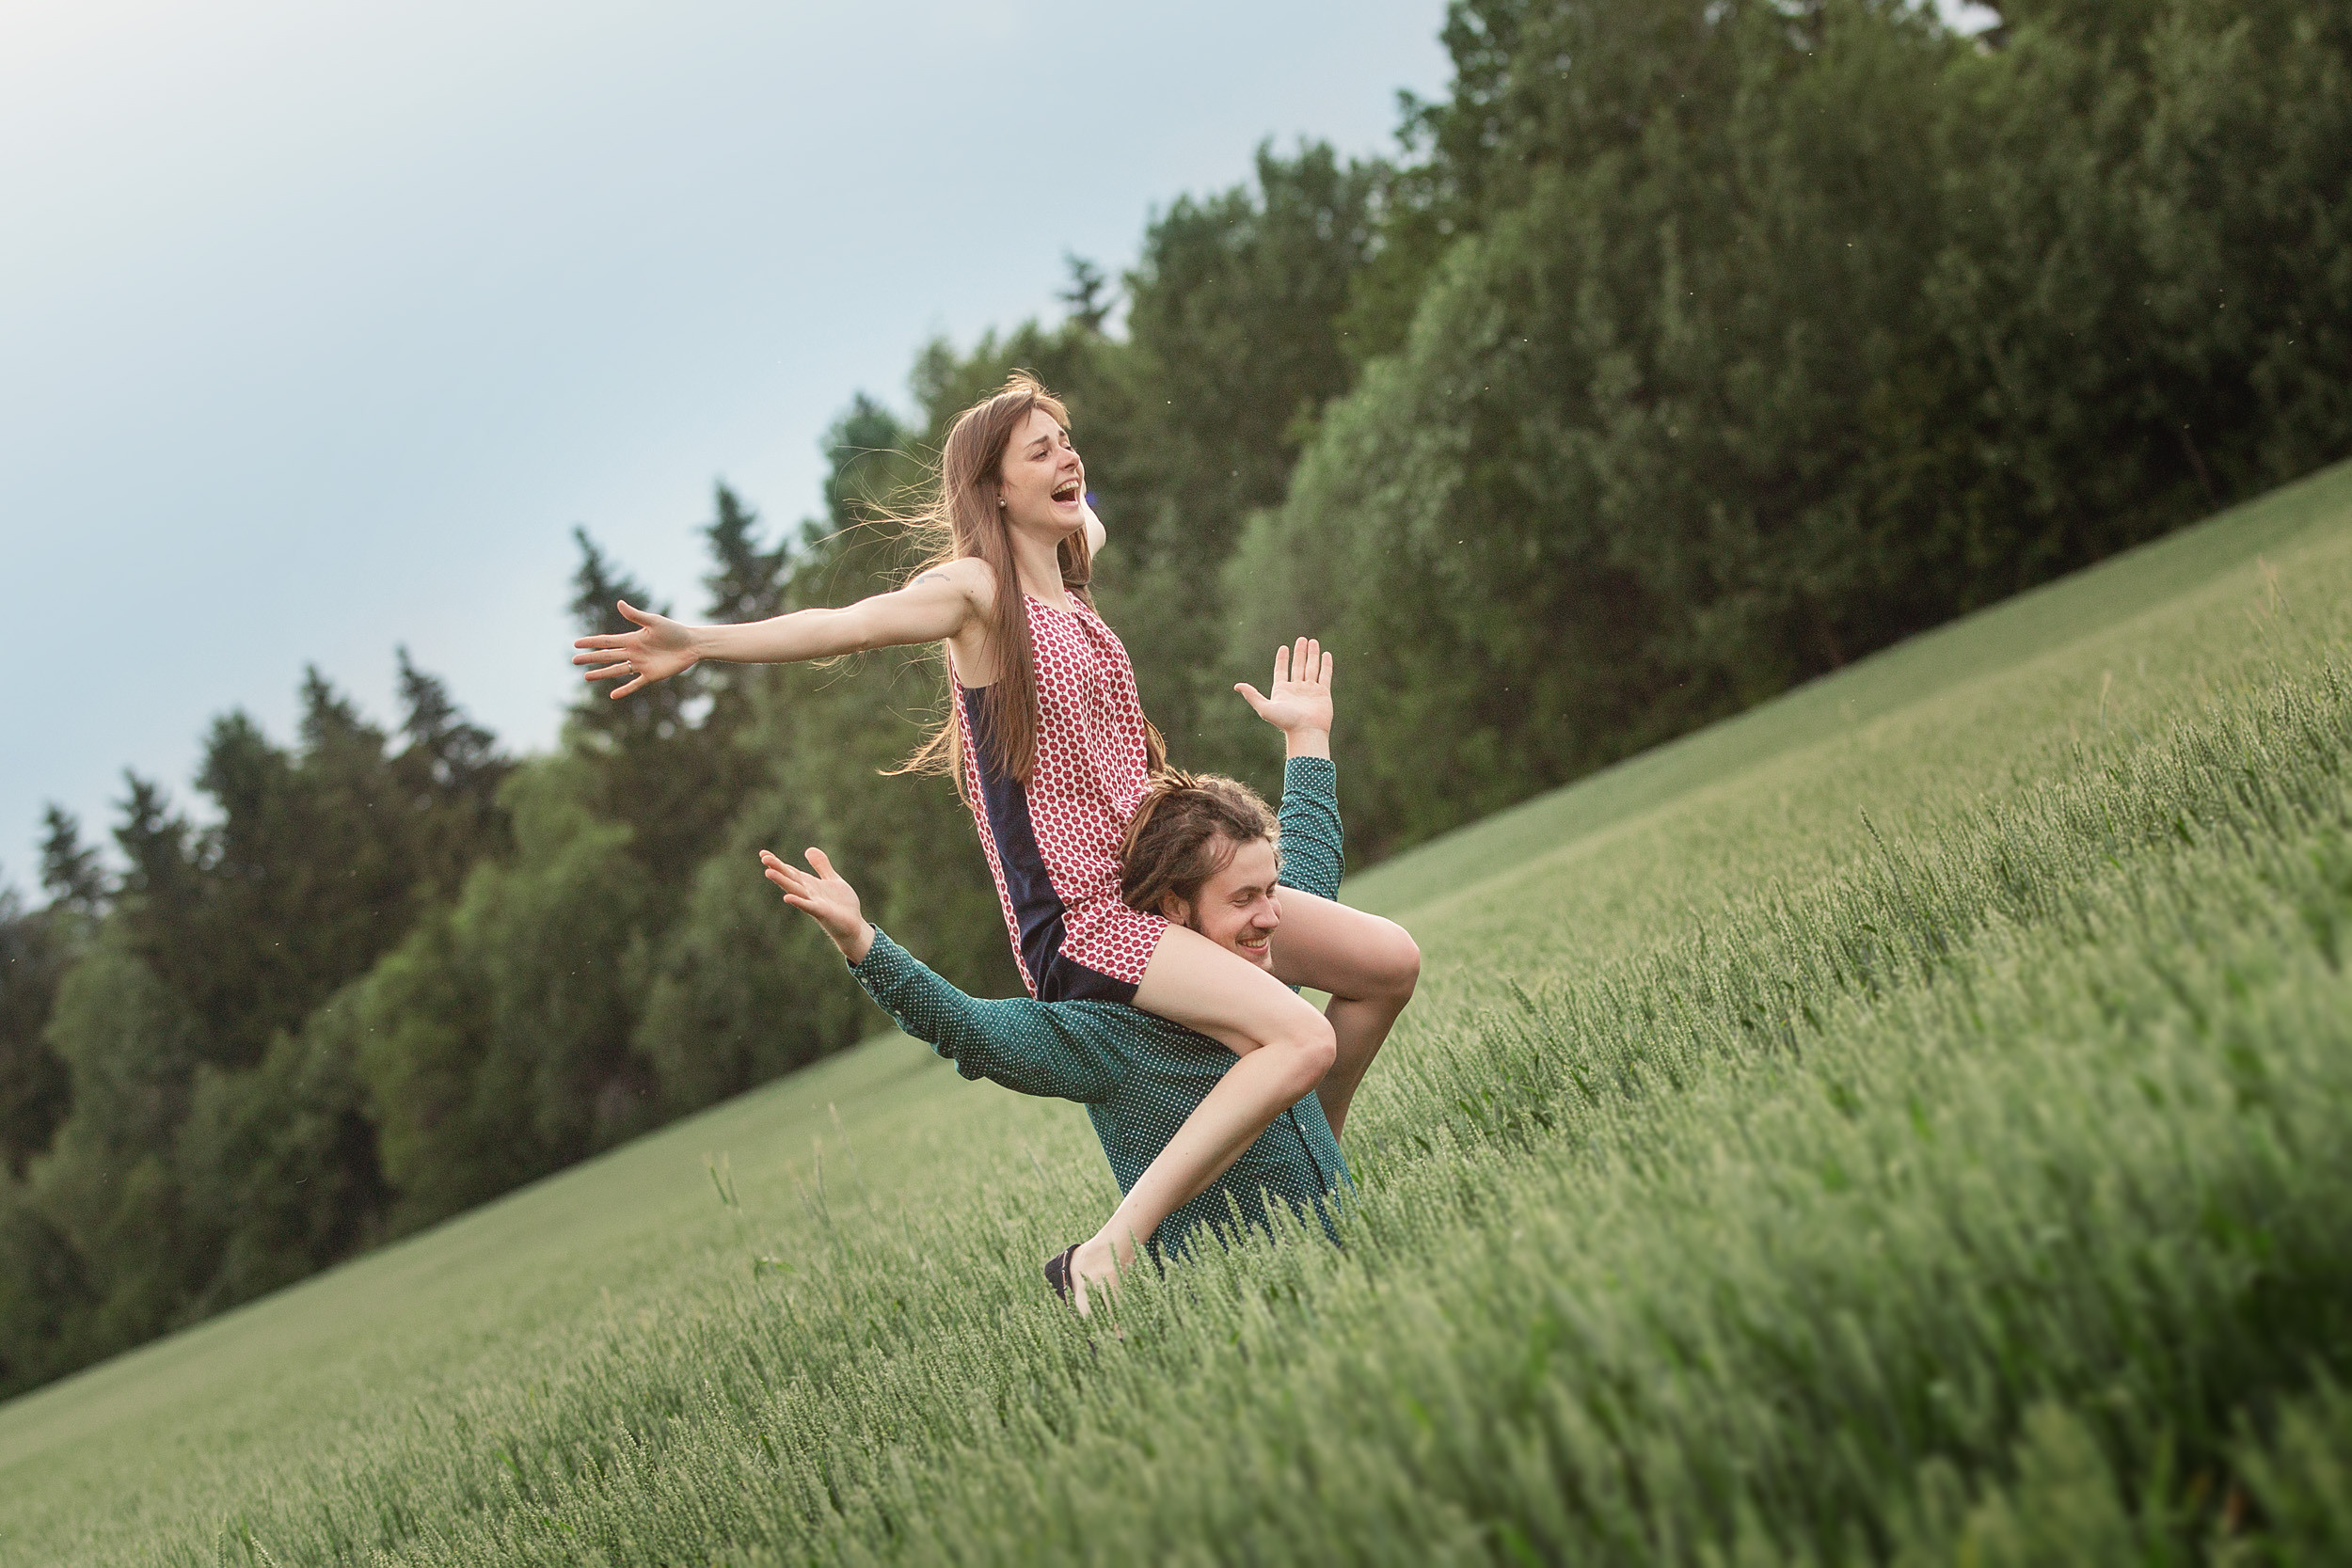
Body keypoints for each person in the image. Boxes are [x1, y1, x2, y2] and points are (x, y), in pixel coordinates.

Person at [572, 374, 1418, 1301]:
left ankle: (1310, 1164)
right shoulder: (976, 593)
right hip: (1087, 920)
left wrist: (1066, 492)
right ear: (993, 490)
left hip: (1155, 884)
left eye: (1067, 439)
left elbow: (1089, 517)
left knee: (1385, 963)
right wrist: (701, 640)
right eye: (1039, 449)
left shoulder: (1072, 565)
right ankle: (1109, 1251)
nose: (1067, 458)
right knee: (1298, 1034)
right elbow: (851, 625)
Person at [761, 639, 1372, 1314]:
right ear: (1173, 907)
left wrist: (1309, 736)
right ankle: (1099, 1259)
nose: (1272, 915)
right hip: (1236, 1305)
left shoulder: (1265, 968)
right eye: (1243, 899)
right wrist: (862, 942)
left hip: (1346, 1266)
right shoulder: (1110, 1035)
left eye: (1270, 890)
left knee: (1382, 965)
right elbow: (971, 1031)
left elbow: (1312, 862)